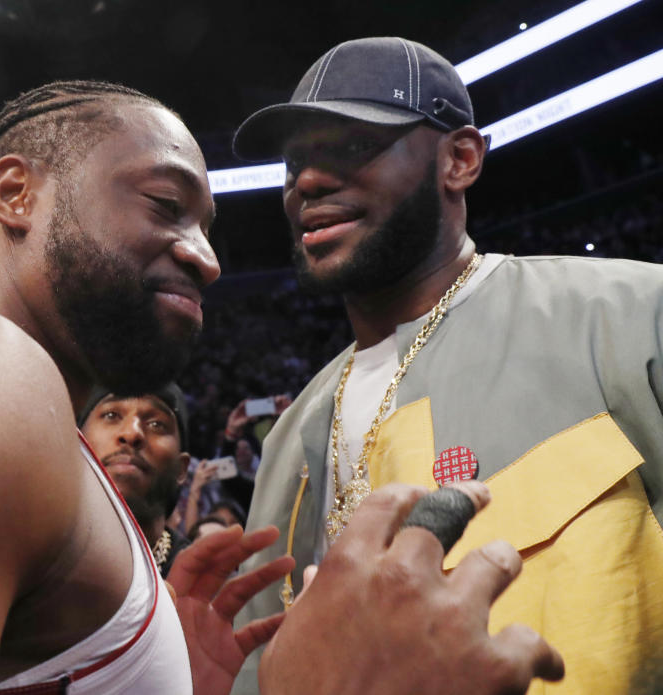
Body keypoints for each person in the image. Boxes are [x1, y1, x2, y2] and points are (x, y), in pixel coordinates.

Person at [0, 79, 560, 694]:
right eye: (164, 203)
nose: (208, 256)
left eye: (210, 226)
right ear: (16, 192)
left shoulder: (40, 437)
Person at [230, 36, 663, 694]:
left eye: (352, 146)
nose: (306, 183)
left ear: (458, 159)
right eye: (295, 164)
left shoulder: (628, 316)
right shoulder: (291, 436)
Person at [79, 384, 193, 577]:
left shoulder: (209, 589)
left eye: (156, 424)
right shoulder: (26, 562)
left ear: (182, 469)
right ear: (77, 443)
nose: (132, 433)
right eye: (111, 415)